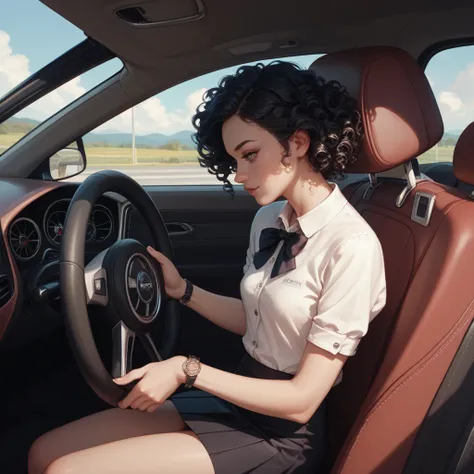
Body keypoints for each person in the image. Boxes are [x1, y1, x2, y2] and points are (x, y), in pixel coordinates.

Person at [27, 61, 386, 474]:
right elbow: (258, 320)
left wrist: (187, 370)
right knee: (43, 452)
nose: (239, 173)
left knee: (65, 472)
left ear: (298, 142)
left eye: (250, 154)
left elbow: (303, 399)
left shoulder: (352, 247)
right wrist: (182, 290)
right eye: (234, 158)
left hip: (283, 434)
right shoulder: (269, 220)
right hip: (237, 395)